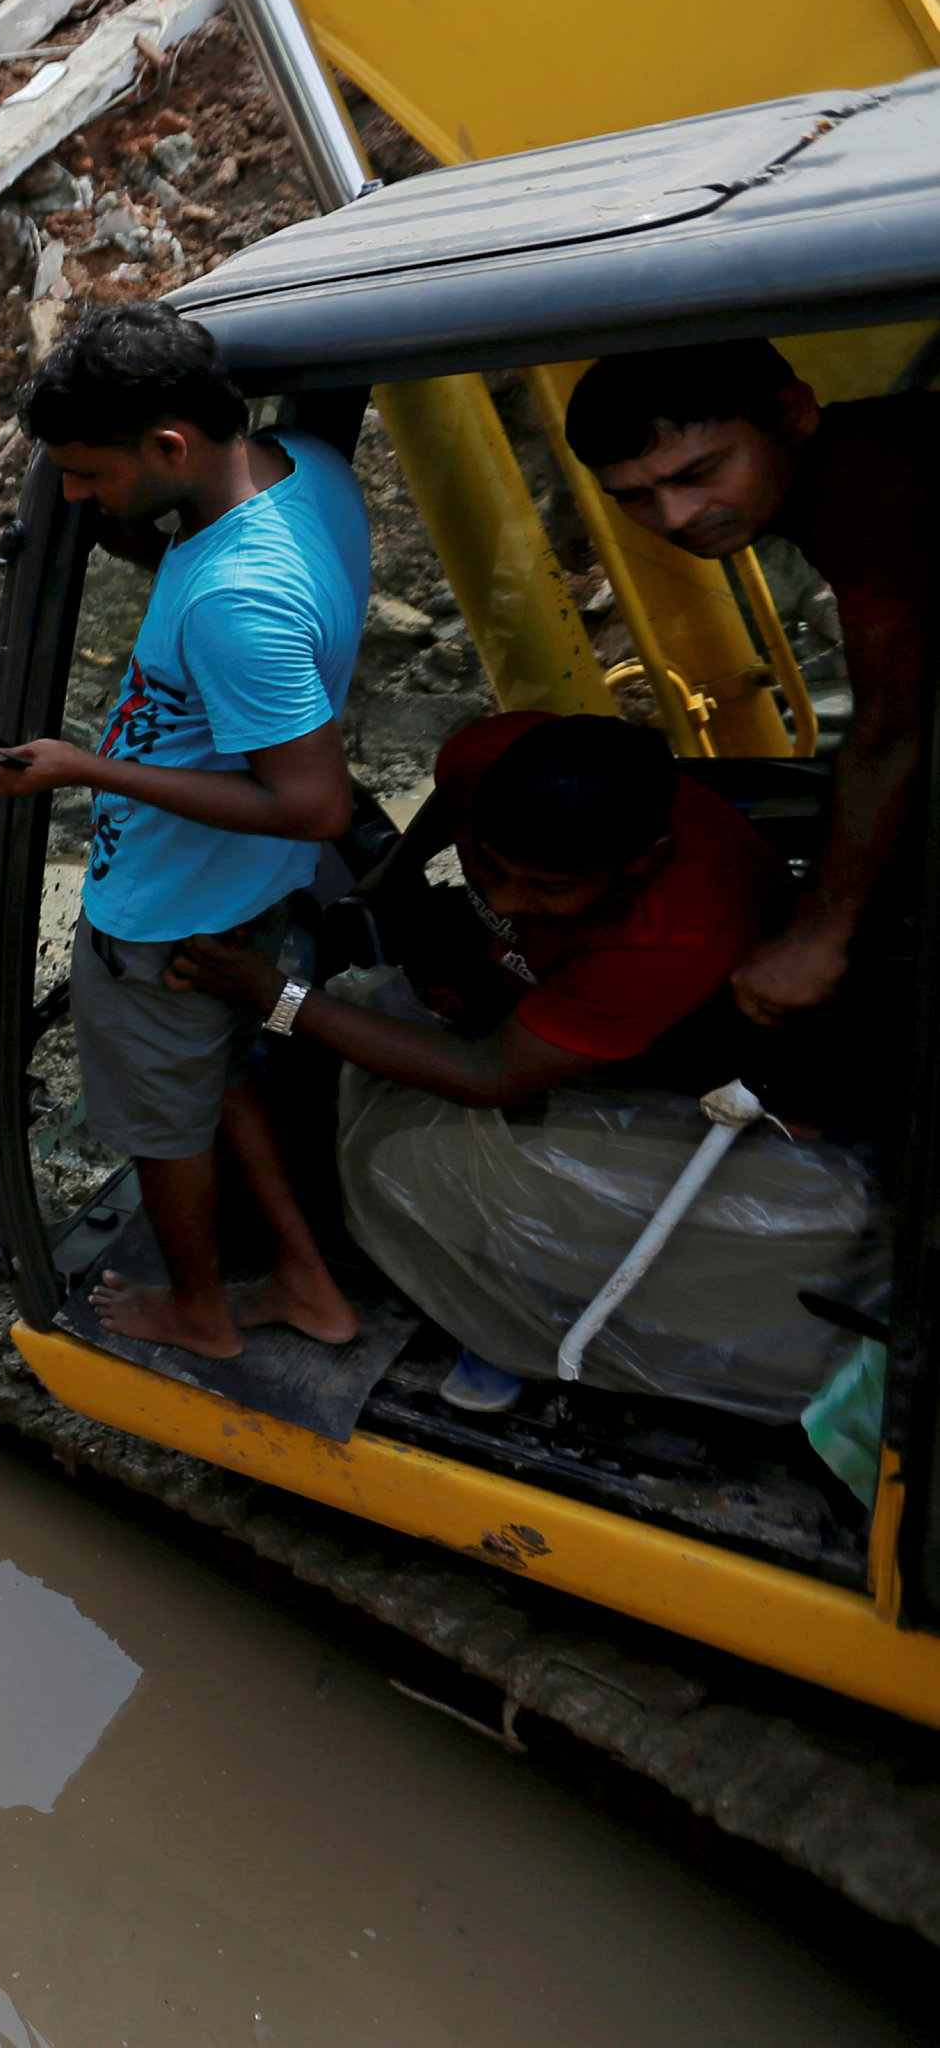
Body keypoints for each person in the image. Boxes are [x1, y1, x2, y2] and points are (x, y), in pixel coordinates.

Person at [169, 711, 789, 1410]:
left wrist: (275, 998)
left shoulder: (677, 936)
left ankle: (513, 1323)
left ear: (643, 862)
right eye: (487, 864)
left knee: (432, 1162)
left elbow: (487, 1078)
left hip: (680, 1064)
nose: (500, 899)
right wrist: (391, 873)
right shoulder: (489, 757)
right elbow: (452, 807)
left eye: (545, 887)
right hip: (548, 994)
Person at [0, 303, 370, 1361]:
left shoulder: (234, 599)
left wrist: (81, 765)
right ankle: (302, 1280)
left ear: (169, 447)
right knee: (219, 1078)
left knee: (159, 1125)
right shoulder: (306, 465)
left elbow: (313, 802)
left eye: (90, 474)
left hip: (164, 917)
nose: (73, 495)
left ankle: (200, 1312)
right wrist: (147, 539)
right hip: (249, 893)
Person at [564, 340, 940, 1030]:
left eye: (701, 472)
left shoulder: (876, 481)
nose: (677, 516)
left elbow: (895, 723)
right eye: (637, 498)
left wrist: (815, 941)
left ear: (793, 413)